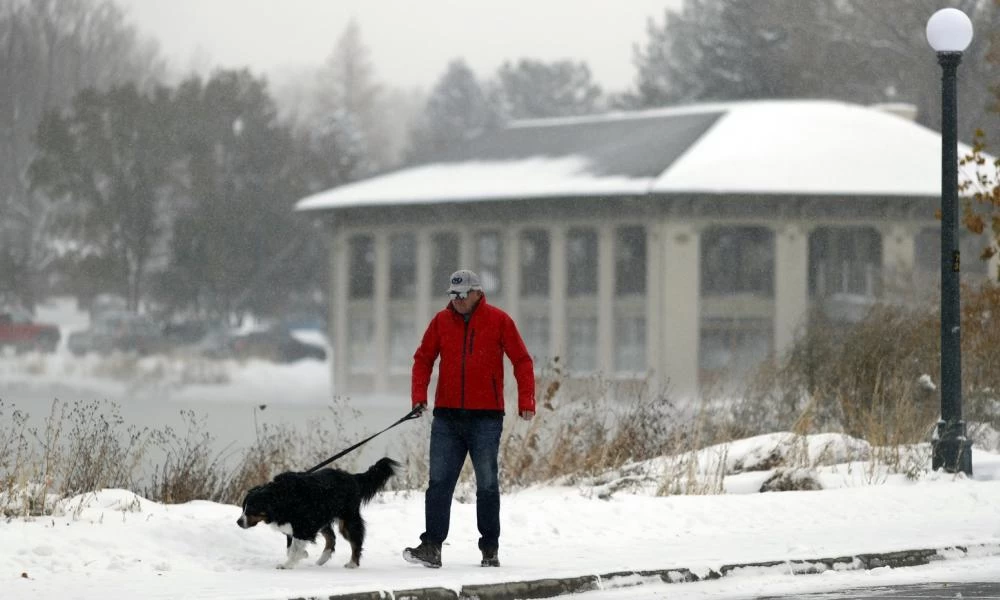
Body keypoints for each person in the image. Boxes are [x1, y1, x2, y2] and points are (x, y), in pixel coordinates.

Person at [403, 269, 535, 569]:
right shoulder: (440, 321)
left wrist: (527, 399)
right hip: (447, 417)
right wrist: (419, 397)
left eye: (463, 295)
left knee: (487, 484)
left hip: (486, 418)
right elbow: (423, 359)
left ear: (477, 293)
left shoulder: (499, 320)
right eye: (453, 295)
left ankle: (490, 549)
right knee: (439, 483)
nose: (458, 301)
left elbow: (522, 360)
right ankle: (431, 547)